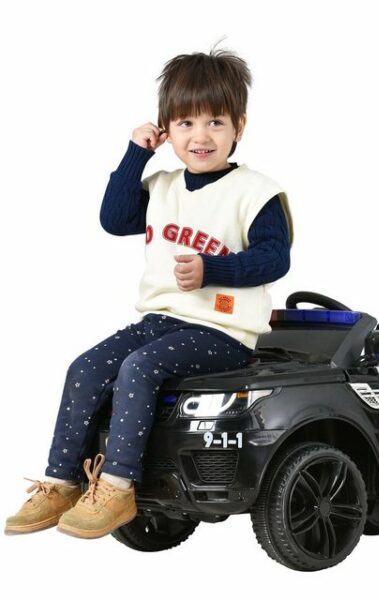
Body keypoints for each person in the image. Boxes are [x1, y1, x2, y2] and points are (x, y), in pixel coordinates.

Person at [5, 43, 294, 539]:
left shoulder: (254, 192)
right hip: (161, 321)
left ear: (239, 127)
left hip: (222, 330)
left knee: (140, 367)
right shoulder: (164, 186)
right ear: (167, 129)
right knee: (86, 368)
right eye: (185, 123)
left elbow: (275, 257)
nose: (200, 136)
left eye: (215, 122)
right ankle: (62, 481)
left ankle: (117, 488)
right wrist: (136, 152)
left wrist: (212, 269)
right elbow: (114, 218)